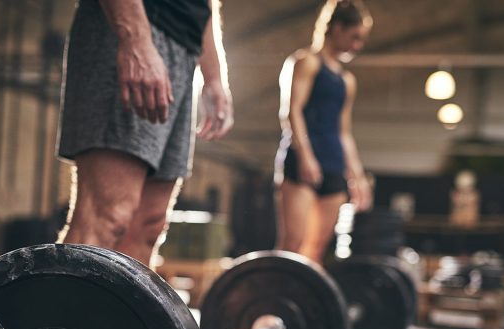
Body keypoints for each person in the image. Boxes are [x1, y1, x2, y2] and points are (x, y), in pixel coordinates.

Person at [56, 0, 233, 267]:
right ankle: (57, 309)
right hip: (136, 26)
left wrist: (214, 75)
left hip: (186, 51)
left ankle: (117, 311)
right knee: (106, 218)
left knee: (148, 226)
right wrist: (135, 41)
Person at [275, 0, 373, 264]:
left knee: (316, 250)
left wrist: (358, 175)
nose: (357, 46)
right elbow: (292, 111)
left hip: (333, 166)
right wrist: (306, 156)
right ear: (338, 28)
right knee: (293, 244)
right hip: (302, 163)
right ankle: (277, 301)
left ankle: (303, 305)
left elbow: (344, 132)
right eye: (354, 37)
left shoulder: (347, 81)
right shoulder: (306, 62)